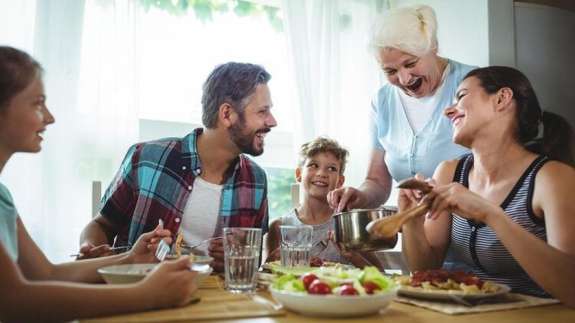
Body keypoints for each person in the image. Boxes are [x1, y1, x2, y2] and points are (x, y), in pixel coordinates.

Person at [0, 46, 198, 322]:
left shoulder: (3, 196)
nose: (49, 117)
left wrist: (130, 258)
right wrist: (147, 295)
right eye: (37, 103)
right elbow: (13, 301)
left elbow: (46, 274)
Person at [399, 66, 575, 306]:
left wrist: (490, 214)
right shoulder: (450, 173)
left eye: (461, 96)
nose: (448, 111)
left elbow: (571, 287)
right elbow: (424, 268)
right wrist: (411, 220)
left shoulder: (552, 178)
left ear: (502, 98)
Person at [79, 62, 277, 272]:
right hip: (139, 296)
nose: (272, 121)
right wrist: (92, 250)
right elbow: (101, 225)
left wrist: (238, 258)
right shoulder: (146, 158)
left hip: (218, 301)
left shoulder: (256, 179)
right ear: (227, 114)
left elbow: (252, 260)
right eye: (263, 111)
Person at [328, 5, 475, 212]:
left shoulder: (472, 84)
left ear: (433, 46)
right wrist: (359, 197)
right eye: (390, 70)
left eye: (410, 63)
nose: (404, 79)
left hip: (472, 228)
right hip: (417, 234)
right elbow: (377, 181)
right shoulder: (382, 101)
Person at [265, 137, 378, 267]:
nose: (321, 173)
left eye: (331, 168)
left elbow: (380, 274)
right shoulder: (279, 226)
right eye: (313, 165)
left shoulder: (348, 226)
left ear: (340, 181)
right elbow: (267, 272)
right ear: (299, 174)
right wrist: (273, 260)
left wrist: (352, 255)